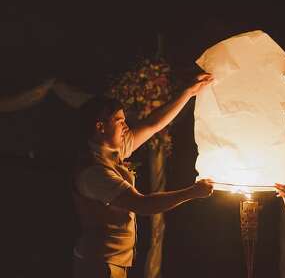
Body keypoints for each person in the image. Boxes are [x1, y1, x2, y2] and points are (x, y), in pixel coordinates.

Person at [72, 73, 215, 278]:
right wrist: (192, 192)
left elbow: (152, 125)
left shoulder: (113, 151)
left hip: (114, 261)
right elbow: (143, 205)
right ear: (100, 127)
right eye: (119, 121)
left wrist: (188, 93)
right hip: (99, 264)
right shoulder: (94, 172)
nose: (126, 126)